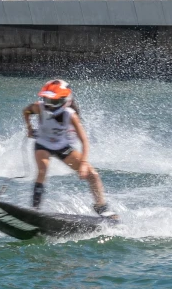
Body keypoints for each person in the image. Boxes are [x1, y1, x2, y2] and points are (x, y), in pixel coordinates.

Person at [21, 79, 110, 215]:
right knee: (43, 170)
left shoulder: (70, 115)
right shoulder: (39, 107)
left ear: (65, 100)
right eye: (46, 100)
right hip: (43, 144)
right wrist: (29, 127)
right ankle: (35, 210)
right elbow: (26, 111)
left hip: (62, 147)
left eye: (54, 102)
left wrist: (84, 164)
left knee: (93, 175)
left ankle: (102, 208)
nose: (49, 105)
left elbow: (84, 141)